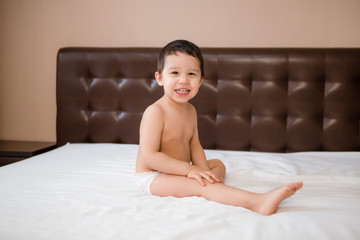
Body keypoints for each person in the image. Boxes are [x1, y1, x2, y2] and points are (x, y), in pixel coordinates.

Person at [135, 39, 303, 216]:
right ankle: (257, 201)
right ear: (160, 78)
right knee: (203, 186)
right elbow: (150, 157)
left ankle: (215, 188)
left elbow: (194, 145)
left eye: (191, 74)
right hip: (154, 177)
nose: (183, 80)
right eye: (175, 73)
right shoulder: (155, 112)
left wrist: (203, 171)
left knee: (217, 165)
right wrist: (190, 170)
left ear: (200, 81)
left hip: (180, 171)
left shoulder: (190, 110)